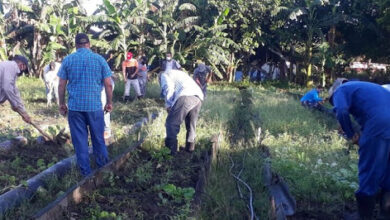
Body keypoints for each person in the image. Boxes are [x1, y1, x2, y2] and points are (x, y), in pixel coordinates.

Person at [328, 78, 390, 219]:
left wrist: (351, 135)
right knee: (388, 169)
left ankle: (364, 216)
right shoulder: (369, 87)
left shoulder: (340, 90)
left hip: (379, 125)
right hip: (384, 122)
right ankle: (386, 212)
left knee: (369, 170)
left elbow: (342, 111)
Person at [58, 33, 113, 176]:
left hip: (75, 108)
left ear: (76, 45)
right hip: (94, 108)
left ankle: (86, 174)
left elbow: (61, 85)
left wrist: (62, 103)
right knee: (98, 139)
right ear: (89, 44)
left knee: (80, 142)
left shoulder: (68, 60)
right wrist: (109, 102)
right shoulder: (99, 59)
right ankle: (103, 171)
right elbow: (108, 84)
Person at [160, 69, 204, 155]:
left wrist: (169, 105)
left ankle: (170, 152)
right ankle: (190, 148)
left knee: (171, 123)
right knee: (191, 124)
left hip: (185, 95)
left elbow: (168, 88)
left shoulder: (164, 75)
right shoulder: (178, 73)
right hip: (198, 96)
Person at [0, 55, 31, 123]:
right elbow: (7, 88)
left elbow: (14, 91)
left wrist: (23, 112)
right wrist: (14, 105)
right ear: (21, 65)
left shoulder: (9, 68)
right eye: (24, 69)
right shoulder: (12, 67)